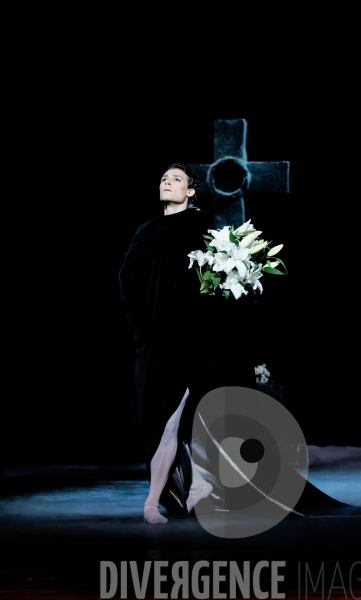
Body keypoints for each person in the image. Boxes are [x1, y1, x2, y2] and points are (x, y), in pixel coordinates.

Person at [119, 162, 256, 525]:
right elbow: (128, 279)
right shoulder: (147, 232)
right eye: (163, 178)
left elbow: (216, 279)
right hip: (155, 339)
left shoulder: (201, 230)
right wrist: (142, 329)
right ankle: (189, 490)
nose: (167, 182)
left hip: (193, 338)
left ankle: (155, 502)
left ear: (191, 191)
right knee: (160, 420)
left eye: (176, 179)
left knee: (184, 417)